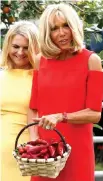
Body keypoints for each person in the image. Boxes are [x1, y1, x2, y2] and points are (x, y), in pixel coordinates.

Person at [28, 3, 103, 181]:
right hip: (45, 152)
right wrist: (33, 139)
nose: (61, 33)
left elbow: (95, 114)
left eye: (66, 25)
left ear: (74, 26)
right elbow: (33, 107)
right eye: (54, 28)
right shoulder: (40, 61)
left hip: (77, 151)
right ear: (47, 33)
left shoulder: (91, 60)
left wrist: (61, 116)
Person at [0, 20, 40, 181]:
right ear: (8, 45)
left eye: (26, 48)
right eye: (16, 46)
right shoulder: (1, 76)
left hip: (28, 153)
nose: (20, 52)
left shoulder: (41, 77)